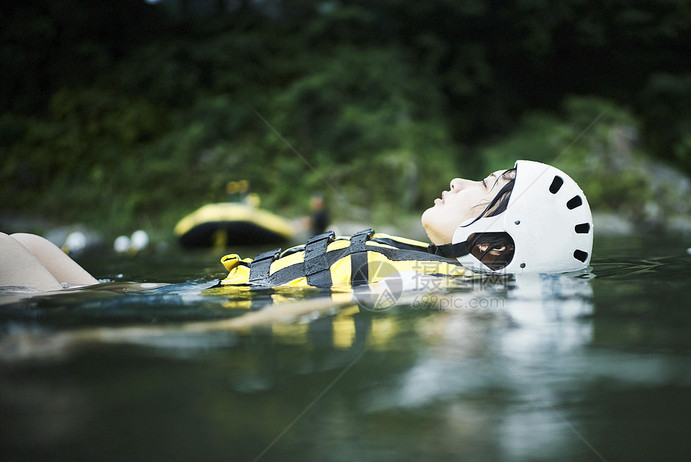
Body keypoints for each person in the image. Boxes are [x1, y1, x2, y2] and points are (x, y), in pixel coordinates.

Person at [0, 161, 593, 292]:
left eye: (485, 189)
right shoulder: (424, 266)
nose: (462, 181)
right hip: (160, 296)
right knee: (27, 244)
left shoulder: (434, 287)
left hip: (172, 316)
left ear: (498, 241)